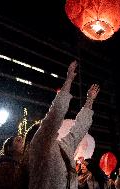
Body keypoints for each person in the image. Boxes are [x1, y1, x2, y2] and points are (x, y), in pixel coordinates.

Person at [29, 60, 100, 189]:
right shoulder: (39, 147)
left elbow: (79, 129)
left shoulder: (64, 146)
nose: (55, 128)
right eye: (41, 128)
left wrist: (89, 100)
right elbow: (55, 114)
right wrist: (68, 80)